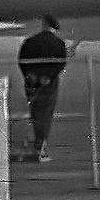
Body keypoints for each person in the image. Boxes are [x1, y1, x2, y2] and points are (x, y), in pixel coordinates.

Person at [18, 15, 69, 162]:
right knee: (46, 112)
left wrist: (28, 76)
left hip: (31, 80)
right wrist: (49, 76)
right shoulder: (58, 43)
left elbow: (22, 60)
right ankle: (41, 144)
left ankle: (38, 142)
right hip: (49, 81)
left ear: (43, 25)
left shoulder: (30, 41)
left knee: (35, 112)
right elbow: (60, 64)